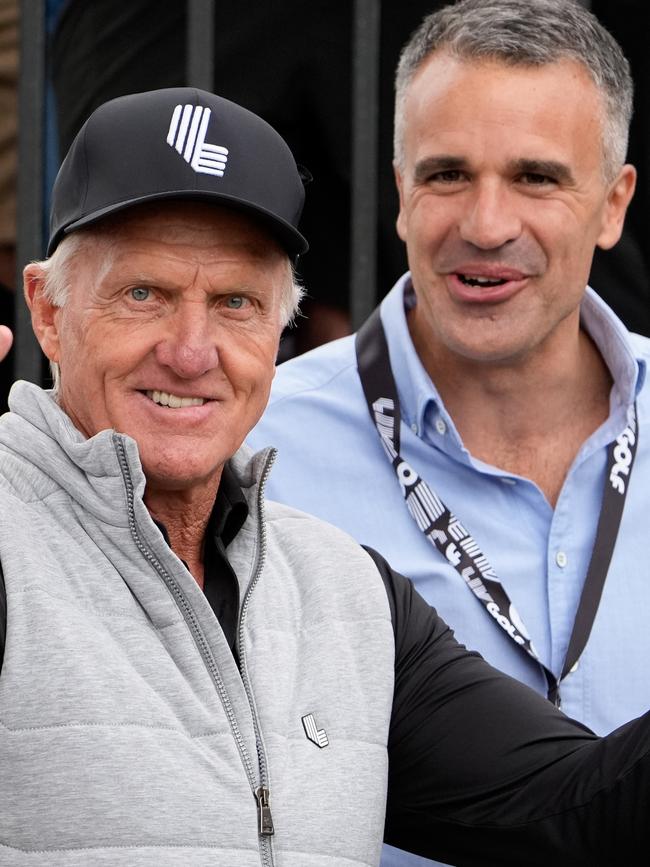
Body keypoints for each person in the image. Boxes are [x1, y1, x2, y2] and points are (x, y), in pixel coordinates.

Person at [2, 85, 650, 867]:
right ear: (47, 311)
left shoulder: (346, 592)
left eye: (237, 302)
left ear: (280, 330)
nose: (191, 348)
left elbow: (580, 808)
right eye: (145, 294)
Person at [246, 1, 648, 864]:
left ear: (613, 205)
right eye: (448, 175)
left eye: (537, 178)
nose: (486, 223)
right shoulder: (249, 448)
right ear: (400, 193)